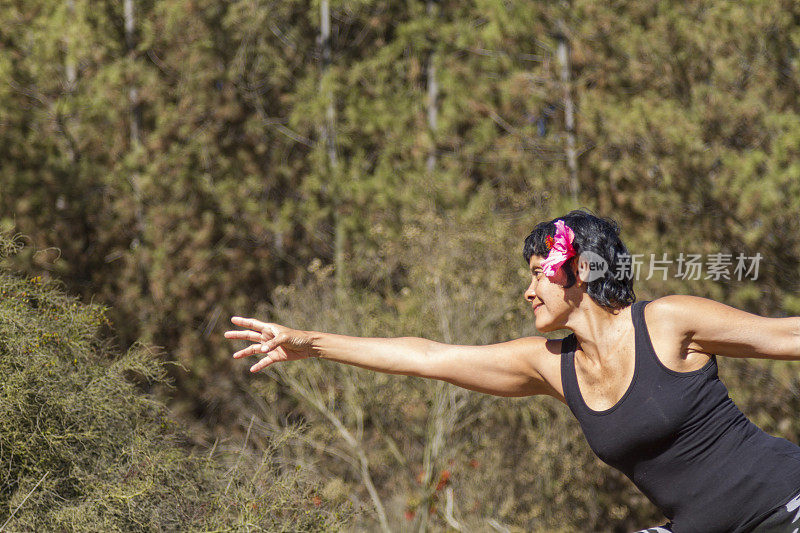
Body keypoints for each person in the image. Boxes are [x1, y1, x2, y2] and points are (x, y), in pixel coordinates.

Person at [225, 209, 800, 533]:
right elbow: (430, 356)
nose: (527, 292)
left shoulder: (669, 321)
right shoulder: (550, 366)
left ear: (574, 269)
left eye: (536, 274)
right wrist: (311, 343)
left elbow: (787, 335)